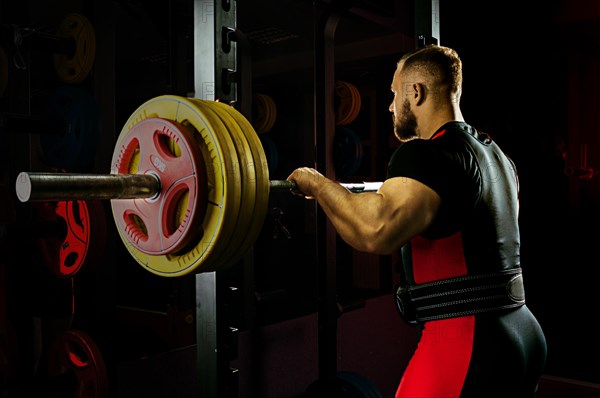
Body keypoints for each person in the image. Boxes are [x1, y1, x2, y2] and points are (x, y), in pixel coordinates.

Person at [288, 44, 547, 397]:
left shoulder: (426, 153)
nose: (391, 106)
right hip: (522, 332)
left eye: (395, 93)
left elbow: (376, 231)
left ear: (416, 91)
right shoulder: (498, 157)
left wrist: (316, 184)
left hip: (464, 340)